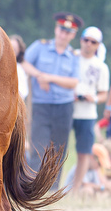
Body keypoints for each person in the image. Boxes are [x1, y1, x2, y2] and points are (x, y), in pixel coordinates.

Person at [23, 12, 82, 187]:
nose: (64, 34)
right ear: (56, 29)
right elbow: (24, 62)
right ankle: (32, 185)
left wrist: (49, 78)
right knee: (38, 146)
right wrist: (39, 75)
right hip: (41, 104)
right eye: (62, 29)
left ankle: (52, 187)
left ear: (73, 35)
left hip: (64, 106)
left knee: (58, 149)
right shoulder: (40, 46)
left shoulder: (74, 55)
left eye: (68, 32)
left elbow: (73, 82)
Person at [70, 26, 110, 195]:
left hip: (87, 113)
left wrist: (92, 98)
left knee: (84, 152)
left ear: (98, 45)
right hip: (67, 108)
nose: (88, 44)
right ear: (81, 40)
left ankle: (75, 188)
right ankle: (52, 185)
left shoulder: (101, 66)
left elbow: (104, 95)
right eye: (86, 40)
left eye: (93, 42)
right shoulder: (71, 56)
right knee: (57, 148)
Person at [10, 34, 29, 101]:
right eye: (9, 47)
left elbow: (22, 93)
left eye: (14, 49)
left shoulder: (18, 69)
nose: (10, 51)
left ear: (18, 53)